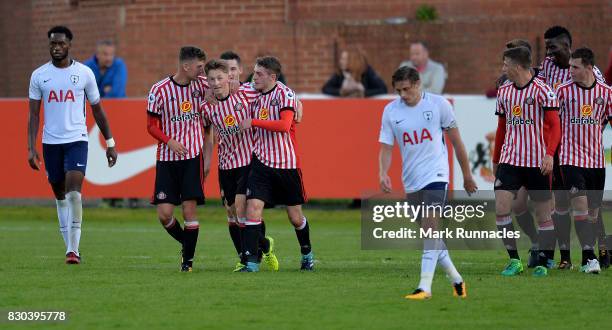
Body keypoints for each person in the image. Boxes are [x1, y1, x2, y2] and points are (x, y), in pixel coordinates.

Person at [378, 66, 477, 300]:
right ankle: (457, 279)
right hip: (411, 180)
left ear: (418, 84)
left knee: (431, 227)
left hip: (436, 175)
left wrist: (467, 174)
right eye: (398, 90)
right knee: (429, 234)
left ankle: (424, 287)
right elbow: (386, 146)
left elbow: (456, 141)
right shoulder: (390, 111)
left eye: (406, 89)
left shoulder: (439, 105)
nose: (402, 94)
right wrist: (383, 173)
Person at [27, 26, 117, 264]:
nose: (56, 47)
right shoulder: (39, 75)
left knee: (74, 192)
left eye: (61, 43)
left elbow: (97, 109)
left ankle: (73, 250)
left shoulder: (85, 73)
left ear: (69, 45)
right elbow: (34, 115)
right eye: (53, 44)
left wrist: (110, 143)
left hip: (77, 139)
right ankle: (69, 245)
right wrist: (31, 147)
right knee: (59, 195)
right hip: (50, 143)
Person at [538, 26, 607, 269]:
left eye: (553, 47)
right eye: (546, 47)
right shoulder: (548, 69)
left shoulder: (597, 79)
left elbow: (602, 110)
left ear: (567, 47)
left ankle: (600, 250)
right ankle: (567, 256)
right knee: (564, 201)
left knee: (591, 207)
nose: (548, 52)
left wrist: (591, 132)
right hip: (562, 152)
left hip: (590, 155)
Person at [200, 59, 278, 272]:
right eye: (211, 79)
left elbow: (274, 87)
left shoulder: (245, 94)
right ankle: (263, 245)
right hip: (225, 165)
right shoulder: (206, 107)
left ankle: (247, 259)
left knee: (242, 208)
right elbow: (206, 131)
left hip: (247, 162)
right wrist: (207, 161)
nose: (216, 83)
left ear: (229, 78)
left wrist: (298, 103)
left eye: (220, 78)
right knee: (231, 213)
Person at [239, 56, 314, 272]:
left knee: (295, 217)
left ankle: (307, 253)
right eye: (254, 73)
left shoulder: (285, 94)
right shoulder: (252, 91)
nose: (255, 77)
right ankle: (252, 263)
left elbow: (284, 125)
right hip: (261, 162)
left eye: (259, 74)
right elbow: (231, 86)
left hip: (286, 165)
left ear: (273, 76)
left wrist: (253, 121)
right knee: (253, 210)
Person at [493, 46, 561, 277]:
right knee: (502, 209)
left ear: (518, 66)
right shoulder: (504, 92)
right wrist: (496, 159)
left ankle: (543, 261)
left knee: (543, 215)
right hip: (510, 160)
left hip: (537, 162)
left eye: (505, 64)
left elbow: (555, 126)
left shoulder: (544, 91)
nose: (503, 69)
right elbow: (502, 128)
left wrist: (550, 154)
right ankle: (514, 261)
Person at [146, 46, 213, 272]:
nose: (203, 71)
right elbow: (151, 126)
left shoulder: (204, 85)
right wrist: (170, 141)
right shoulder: (159, 90)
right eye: (199, 66)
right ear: (186, 66)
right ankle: (188, 244)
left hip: (193, 158)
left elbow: (233, 90)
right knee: (164, 215)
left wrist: (206, 157)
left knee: (189, 212)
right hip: (167, 159)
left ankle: (188, 262)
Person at [556, 47, 611, 274]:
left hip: (596, 162)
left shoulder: (606, 93)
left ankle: (595, 254)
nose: (571, 70)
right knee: (580, 204)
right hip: (570, 158)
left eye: (575, 67)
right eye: (570, 66)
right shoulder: (562, 92)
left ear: (589, 67)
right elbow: (551, 124)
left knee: (593, 213)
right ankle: (589, 258)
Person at [322, 47, 387, 97]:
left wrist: (364, 93)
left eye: (344, 59)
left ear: (353, 60)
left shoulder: (366, 71)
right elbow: (325, 89)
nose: (341, 61)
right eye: (341, 59)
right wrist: (340, 92)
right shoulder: (340, 73)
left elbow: (383, 89)